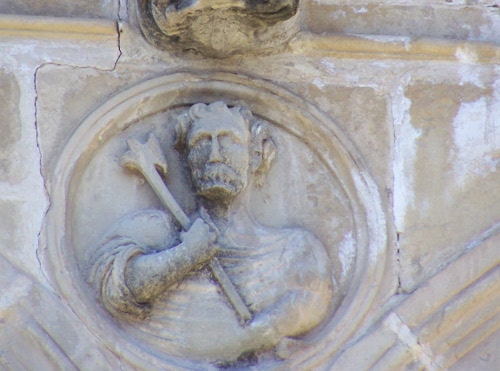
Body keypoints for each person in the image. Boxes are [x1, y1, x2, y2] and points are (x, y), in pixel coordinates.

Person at [89, 102, 333, 364]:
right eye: (202, 142)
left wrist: (256, 336)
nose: (214, 155)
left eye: (229, 141)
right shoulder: (155, 229)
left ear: (256, 155)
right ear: (186, 159)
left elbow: (310, 301)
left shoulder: (297, 250)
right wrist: (186, 255)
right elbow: (116, 284)